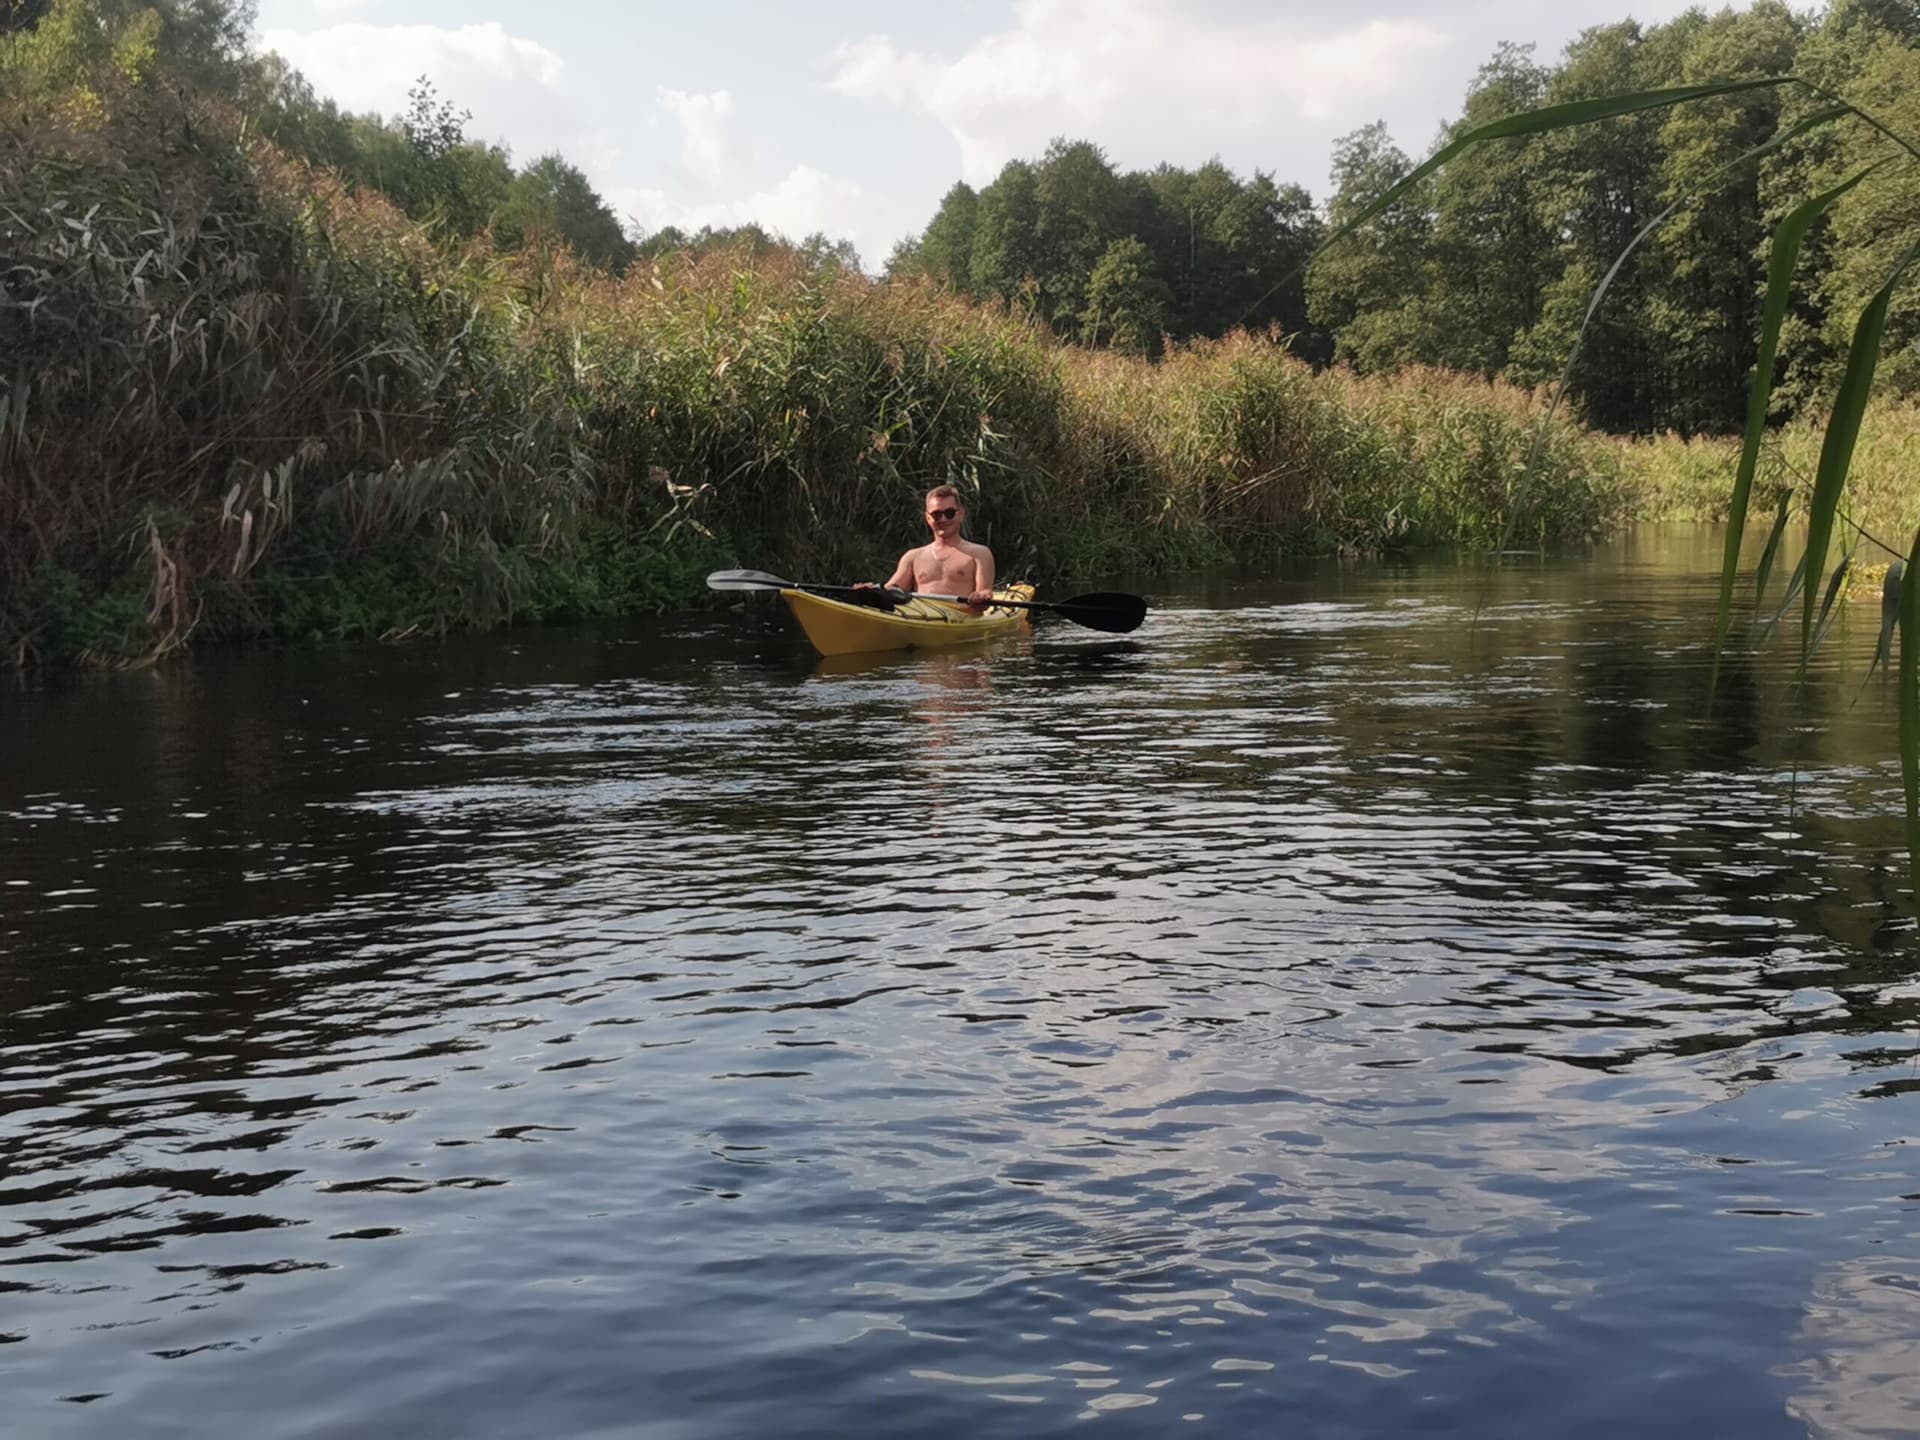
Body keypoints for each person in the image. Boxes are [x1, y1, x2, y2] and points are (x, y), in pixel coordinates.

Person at [867, 485, 996, 609]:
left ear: (961, 514)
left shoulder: (979, 554)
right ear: (928, 518)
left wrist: (981, 597)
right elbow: (892, 589)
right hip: (924, 619)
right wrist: (868, 591)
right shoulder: (913, 556)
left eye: (949, 513)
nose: (943, 519)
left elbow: (984, 592)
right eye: (937, 515)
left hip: (962, 620)